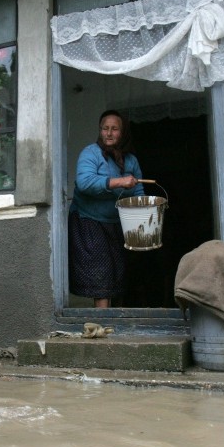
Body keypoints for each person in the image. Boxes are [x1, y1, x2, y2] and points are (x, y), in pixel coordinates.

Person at [68, 109, 145, 308]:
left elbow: (138, 191)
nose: (109, 133)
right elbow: (84, 183)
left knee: (117, 274)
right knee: (101, 275)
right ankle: (101, 327)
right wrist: (119, 182)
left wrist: (143, 220)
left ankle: (113, 324)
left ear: (123, 132)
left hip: (116, 223)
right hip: (89, 221)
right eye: (104, 129)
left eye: (114, 129)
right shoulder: (90, 153)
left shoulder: (130, 160)